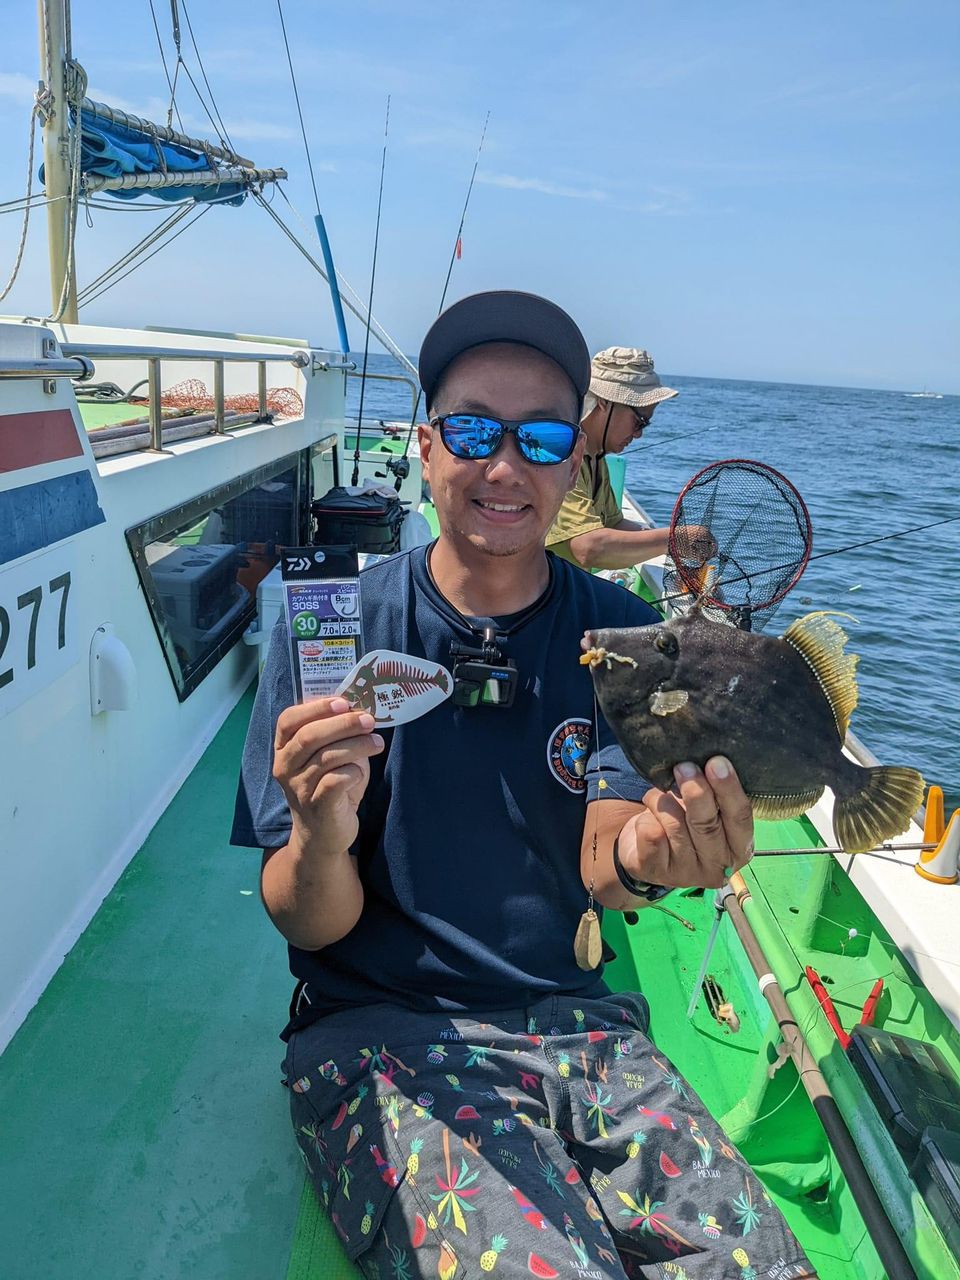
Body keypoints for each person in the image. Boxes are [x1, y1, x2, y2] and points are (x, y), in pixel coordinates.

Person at [231, 291, 814, 1279]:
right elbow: (309, 922)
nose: (504, 464)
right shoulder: (329, 628)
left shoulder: (629, 634)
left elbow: (609, 859)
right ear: (425, 447)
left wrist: (652, 854)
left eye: (541, 437)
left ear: (574, 461)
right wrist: (321, 835)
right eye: (472, 429)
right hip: (381, 1033)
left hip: (585, 1030)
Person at [547, 346, 712, 572]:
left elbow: (613, 524)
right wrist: (673, 540)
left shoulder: (595, 456)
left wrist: (675, 542)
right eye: (640, 421)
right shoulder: (563, 456)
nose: (639, 434)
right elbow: (588, 548)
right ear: (604, 403)